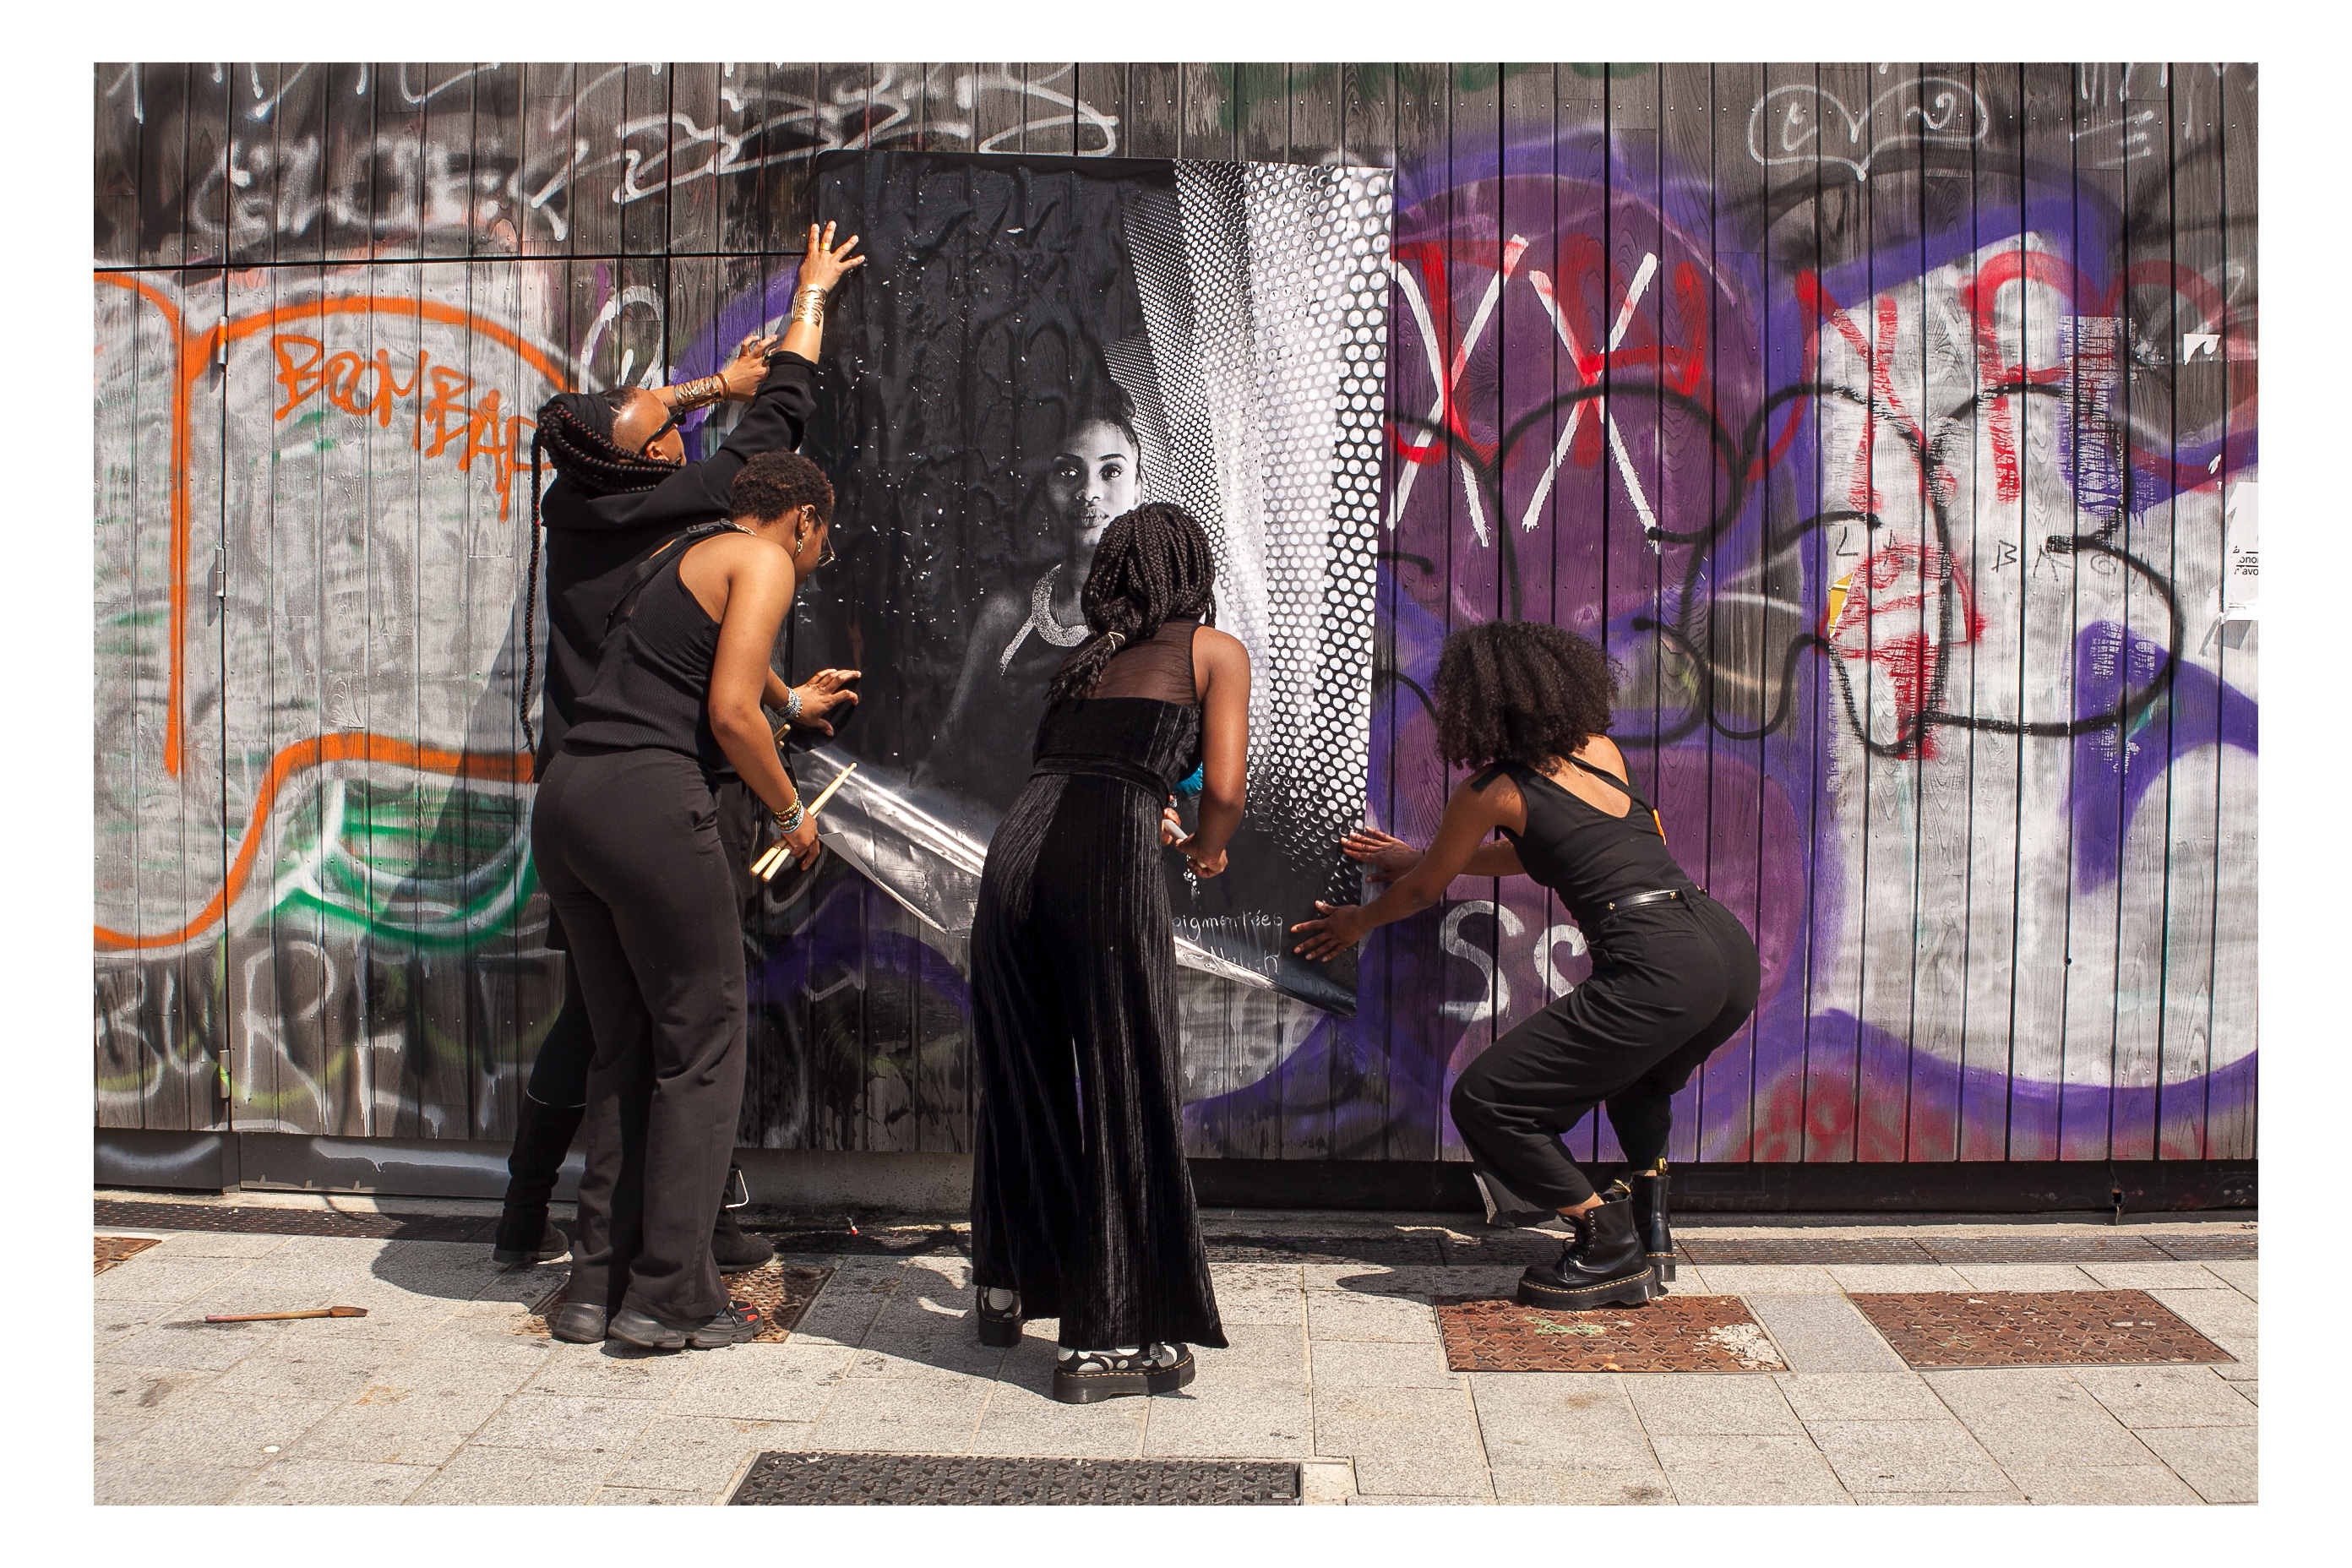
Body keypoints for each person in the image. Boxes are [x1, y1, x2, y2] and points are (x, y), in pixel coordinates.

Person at [493, 221, 866, 1280]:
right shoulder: (696, 507)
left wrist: (704, 387)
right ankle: (674, 1247)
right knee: (685, 1017)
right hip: (660, 789)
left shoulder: (578, 508)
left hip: (575, 790)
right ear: (651, 459)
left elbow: (618, 437)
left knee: (621, 1015)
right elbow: (780, 418)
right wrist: (808, 300)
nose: (685, 428)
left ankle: (545, 1216)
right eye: (671, 425)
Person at [1290, 621, 1760, 1310]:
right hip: (1723, 948)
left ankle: (1609, 1244)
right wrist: (1424, 856)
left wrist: (1353, 922)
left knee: (1489, 1101)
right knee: (1640, 1084)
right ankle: (1651, 1229)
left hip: (1658, 961)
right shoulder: (1600, 750)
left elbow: (1422, 894)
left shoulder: (1492, 790)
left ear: (1480, 706)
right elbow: (1544, 848)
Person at [530, 450, 840, 1349]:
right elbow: (732, 712)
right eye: (824, 537)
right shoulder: (767, 557)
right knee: (703, 1045)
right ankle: (669, 1297)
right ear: (803, 519)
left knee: (624, 1047)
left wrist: (792, 701)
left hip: (570, 799)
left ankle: (595, 1286)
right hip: (648, 803)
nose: (818, 554)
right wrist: (791, 813)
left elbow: (704, 663)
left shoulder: (683, 554)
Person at [966, 503, 1250, 1403]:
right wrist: (1205, 846)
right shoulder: (1212, 651)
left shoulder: (1082, 660)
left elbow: (1092, 769)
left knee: (1022, 1076)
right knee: (1128, 1080)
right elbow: (1226, 791)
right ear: (1192, 572)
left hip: (1015, 856)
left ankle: (1006, 1284)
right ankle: (1109, 1340)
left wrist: (1147, 803)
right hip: (1104, 863)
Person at [921, 401, 1143, 810]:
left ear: (1139, 488)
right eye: (1068, 472)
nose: (1088, 493)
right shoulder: (1006, 613)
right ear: (1045, 487)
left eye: (1111, 471)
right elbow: (948, 744)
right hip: (992, 829)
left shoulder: (1152, 621)